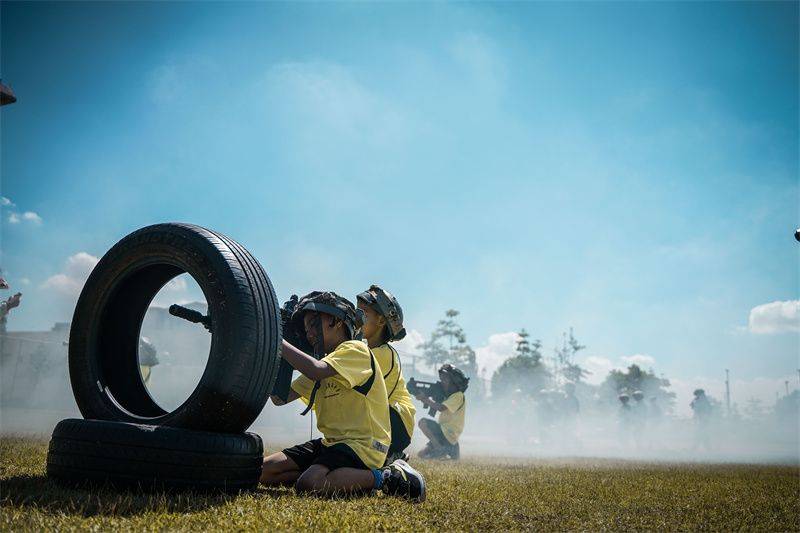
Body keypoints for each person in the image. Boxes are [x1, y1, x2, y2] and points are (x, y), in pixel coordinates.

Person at [260, 291, 425, 502]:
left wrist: (277, 341)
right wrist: (281, 358)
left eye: (313, 324)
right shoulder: (327, 362)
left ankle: (384, 476)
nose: (308, 332)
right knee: (265, 471)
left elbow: (315, 370)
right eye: (305, 328)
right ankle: (341, 479)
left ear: (336, 322)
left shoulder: (355, 350)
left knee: (309, 484)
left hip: (363, 444)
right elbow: (279, 398)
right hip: (333, 443)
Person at [356, 285, 416, 464]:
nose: (357, 317)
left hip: (397, 422)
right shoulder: (365, 351)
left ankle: (390, 456)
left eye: (363, 312)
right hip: (385, 421)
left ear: (381, 321)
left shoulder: (383, 354)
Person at [415, 363, 468, 460]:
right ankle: (441, 451)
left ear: (454, 382)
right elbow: (435, 403)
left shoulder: (458, 395)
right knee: (421, 455)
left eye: (445, 379)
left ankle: (439, 449)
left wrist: (425, 399)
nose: (442, 382)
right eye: (441, 379)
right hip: (444, 438)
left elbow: (440, 408)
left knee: (423, 422)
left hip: (447, 436)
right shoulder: (449, 396)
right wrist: (423, 397)